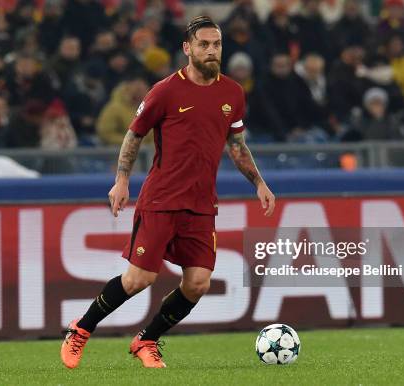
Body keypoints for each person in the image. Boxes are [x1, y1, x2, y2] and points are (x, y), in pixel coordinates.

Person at [60, 16, 276, 369]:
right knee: (139, 279)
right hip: (162, 199)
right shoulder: (165, 90)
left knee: (198, 283)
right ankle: (81, 329)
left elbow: (236, 145)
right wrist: (122, 180)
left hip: (201, 203)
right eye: (204, 44)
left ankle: (146, 340)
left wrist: (260, 183)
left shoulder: (232, 93)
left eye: (216, 44)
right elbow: (134, 135)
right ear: (187, 49)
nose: (211, 50)